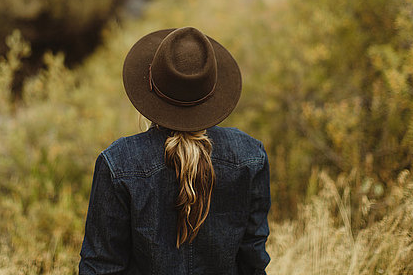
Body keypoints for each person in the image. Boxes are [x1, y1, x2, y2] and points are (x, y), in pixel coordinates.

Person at [78, 26, 271, 274]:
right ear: (211, 93)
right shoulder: (250, 156)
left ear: (150, 89)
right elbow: (253, 262)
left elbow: (101, 266)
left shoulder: (118, 163)